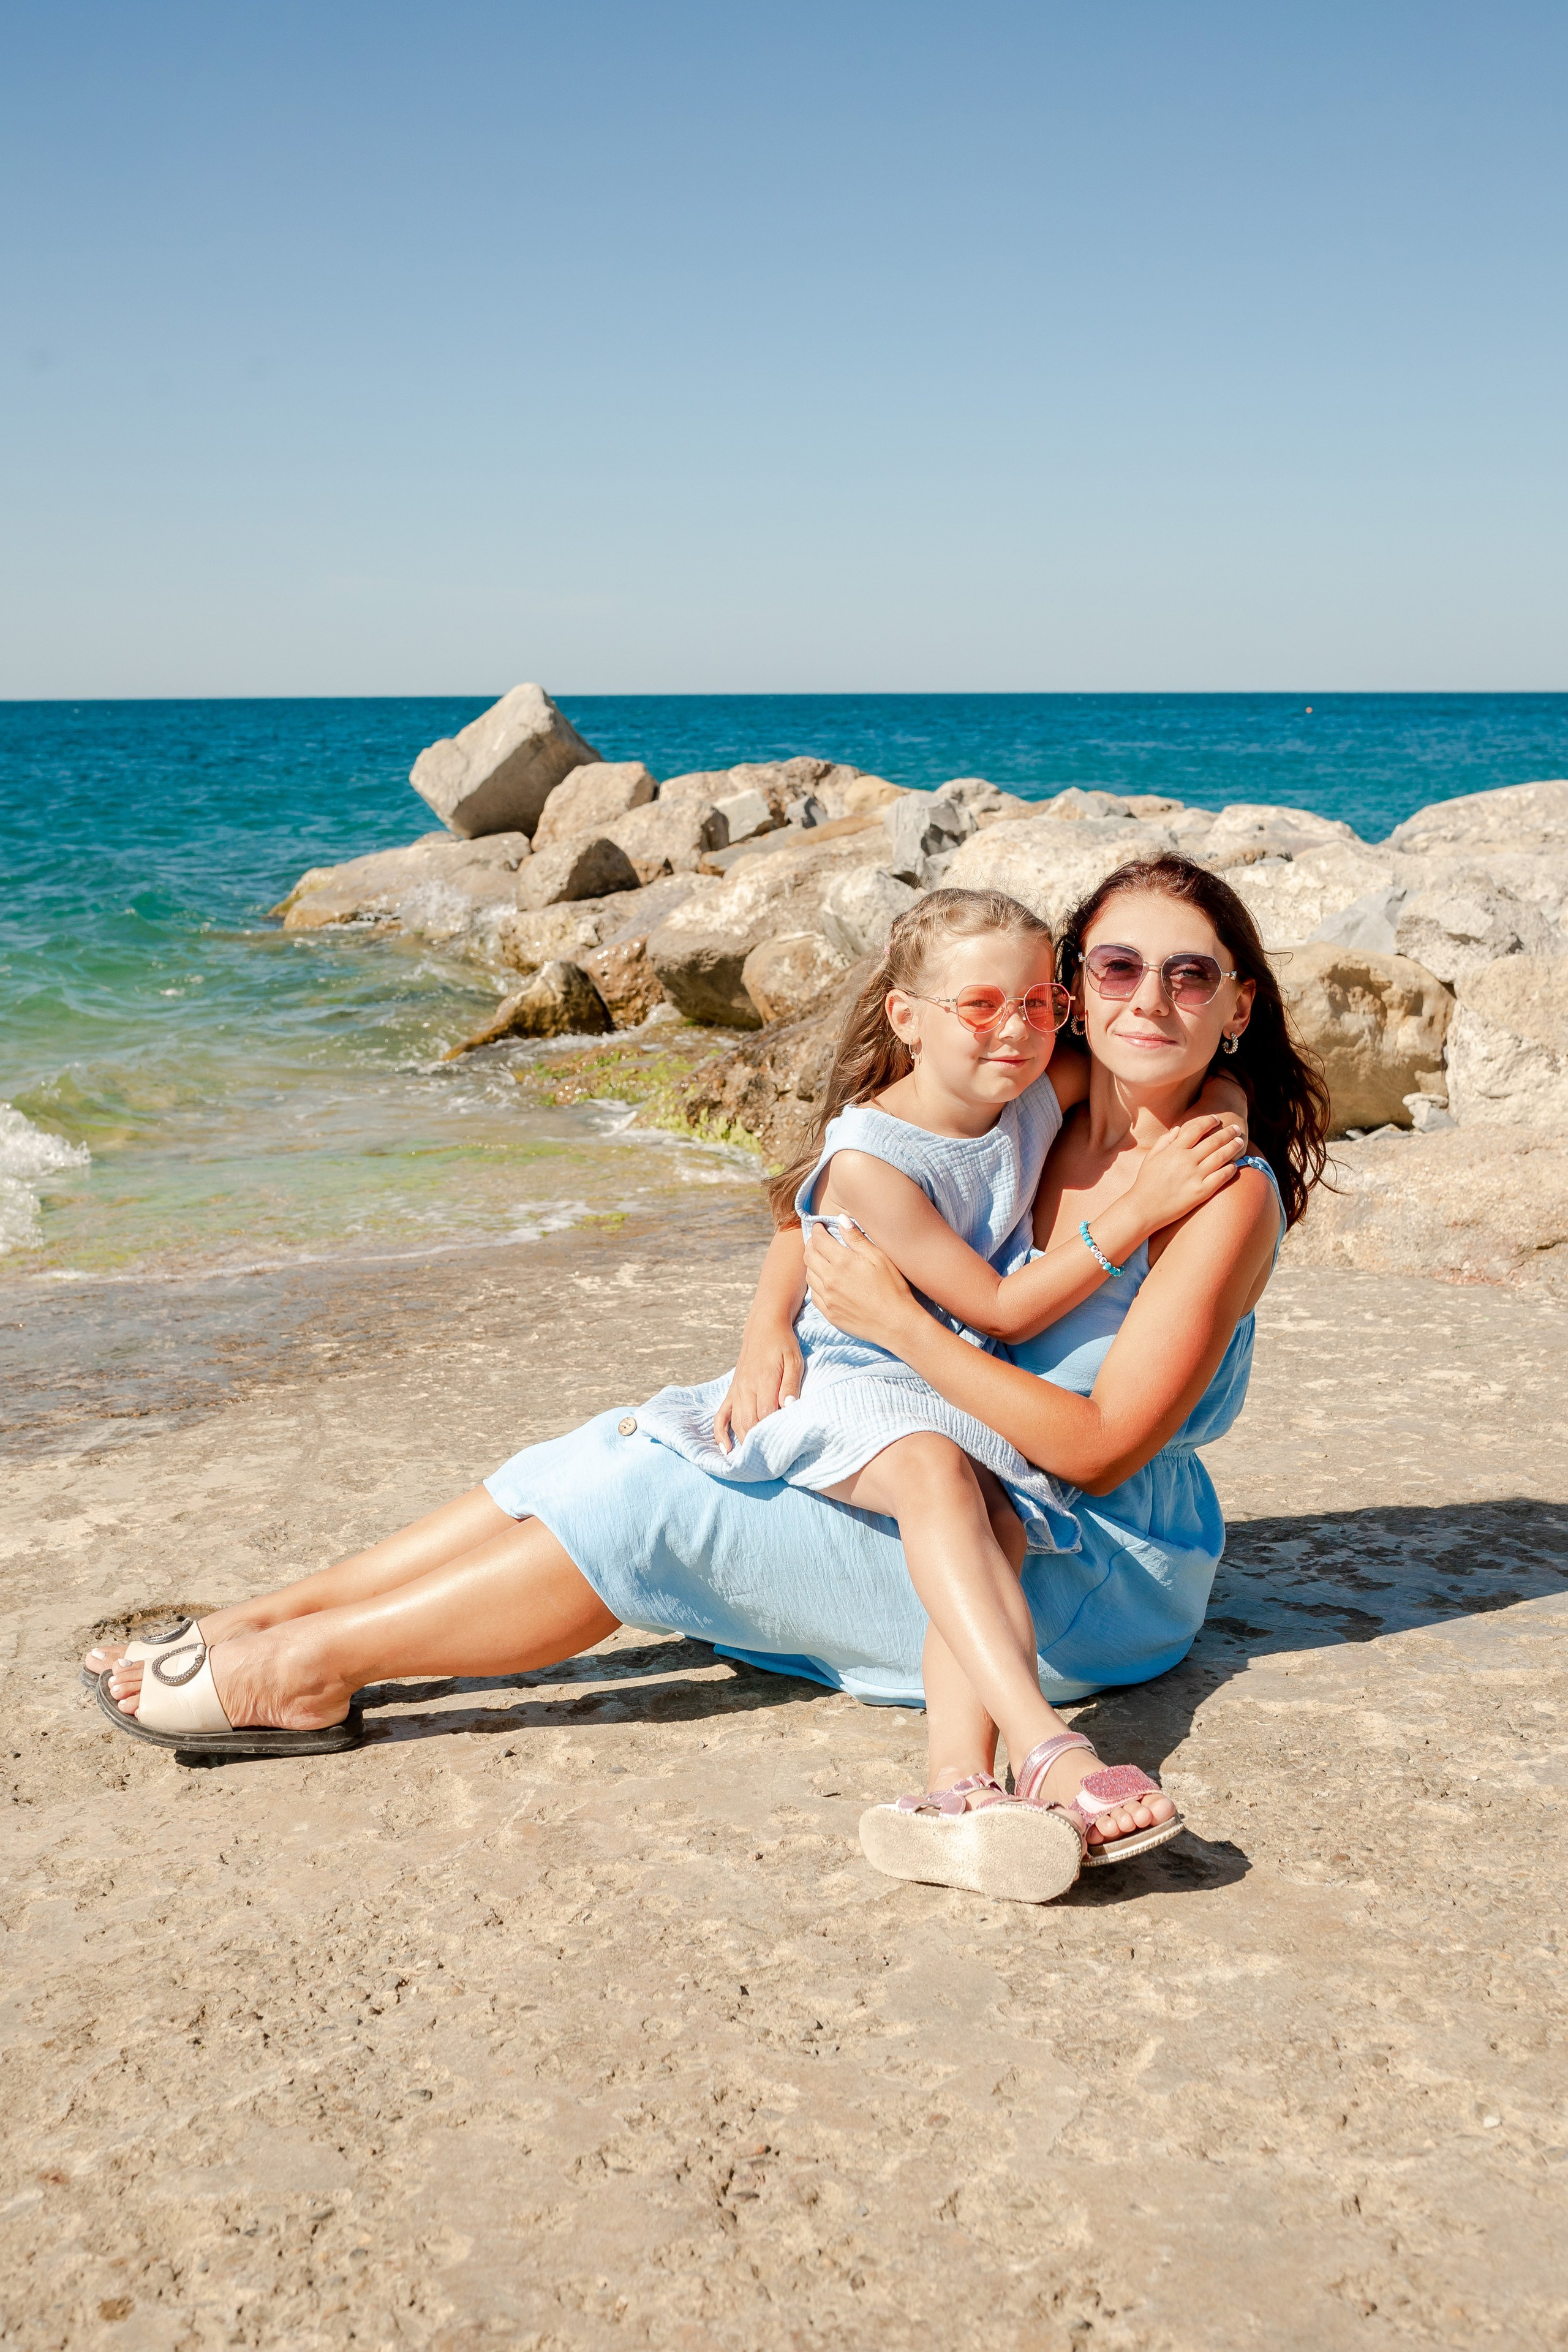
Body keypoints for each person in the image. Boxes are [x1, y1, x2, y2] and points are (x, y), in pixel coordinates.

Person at [88, 853, 1327, 1907]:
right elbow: (853, 1172)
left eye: (1188, 974)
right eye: (1115, 968)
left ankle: (310, 1674)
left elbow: (1102, 1444)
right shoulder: (1056, 1090)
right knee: (635, 1438)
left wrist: (901, 1331)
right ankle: (272, 1616)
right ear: (1072, 991)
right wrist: (765, 1325)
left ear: (1236, 1002)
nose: (1147, 999)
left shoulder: (1216, 1188)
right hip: (970, 1468)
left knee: (657, 1505)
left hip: (1086, 1564)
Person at [631, 884, 1249, 1898]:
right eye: (979, 1007)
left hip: (925, 1359)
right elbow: (986, 1301)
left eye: (1038, 1003)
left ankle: (954, 1792)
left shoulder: (1037, 1078)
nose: (1014, 1028)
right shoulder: (881, 1149)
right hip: (865, 1361)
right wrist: (1139, 1209)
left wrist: (1217, 1119)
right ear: (907, 1016)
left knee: (992, 1514)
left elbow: (1205, 1086)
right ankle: (1048, 1749)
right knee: (933, 1474)